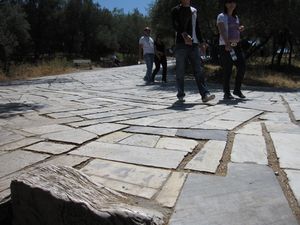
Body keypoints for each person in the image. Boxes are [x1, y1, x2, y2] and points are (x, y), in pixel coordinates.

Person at [171, 0, 215, 103]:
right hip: (181, 44)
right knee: (180, 70)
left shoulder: (194, 10)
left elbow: (197, 27)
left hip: (194, 45)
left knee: (198, 70)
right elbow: (176, 25)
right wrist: (185, 35)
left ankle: (205, 94)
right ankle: (180, 94)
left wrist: (201, 42)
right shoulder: (176, 10)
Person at [217, 0, 246, 100]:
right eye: (229, 2)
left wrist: (240, 28)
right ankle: (227, 93)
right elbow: (222, 30)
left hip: (237, 45)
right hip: (226, 46)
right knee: (228, 69)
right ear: (225, 4)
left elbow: (234, 29)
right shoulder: (221, 16)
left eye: (233, 2)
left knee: (242, 66)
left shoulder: (236, 17)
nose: (231, 4)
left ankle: (237, 90)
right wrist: (227, 43)